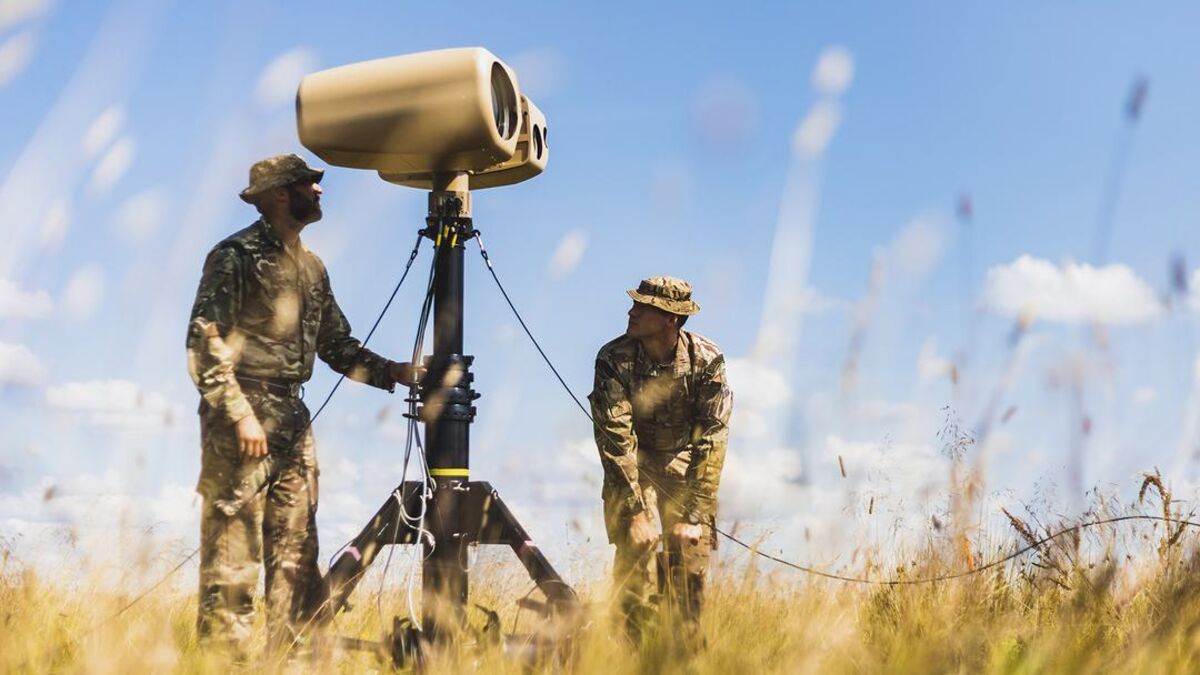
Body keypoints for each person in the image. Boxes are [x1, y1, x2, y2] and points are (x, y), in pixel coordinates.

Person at [186, 153, 417, 656]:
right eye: (306, 183)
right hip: (240, 417)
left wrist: (394, 372)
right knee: (233, 560)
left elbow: (337, 346)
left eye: (316, 182)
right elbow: (205, 343)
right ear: (275, 195)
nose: (318, 190)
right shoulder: (235, 255)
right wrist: (241, 414)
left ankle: (289, 663)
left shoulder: (312, 268)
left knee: (295, 558)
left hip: (293, 419)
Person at [589, 276, 732, 642]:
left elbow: (712, 436)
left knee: (687, 581)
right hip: (633, 472)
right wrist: (635, 511)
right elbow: (614, 438)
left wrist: (695, 516)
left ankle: (682, 660)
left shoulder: (707, 359)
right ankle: (629, 659)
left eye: (642, 307)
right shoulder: (613, 358)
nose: (631, 311)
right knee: (634, 580)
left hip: (687, 473)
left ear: (670, 318)